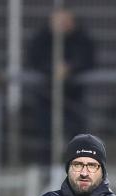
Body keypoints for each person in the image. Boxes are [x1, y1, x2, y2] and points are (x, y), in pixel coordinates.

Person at [27, 8, 95, 161]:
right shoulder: (42, 39)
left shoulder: (81, 39)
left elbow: (88, 59)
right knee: (46, 138)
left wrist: (70, 67)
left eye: (66, 21)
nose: (62, 25)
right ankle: (46, 174)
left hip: (74, 96)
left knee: (78, 137)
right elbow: (34, 60)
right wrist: (52, 68)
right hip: (46, 96)